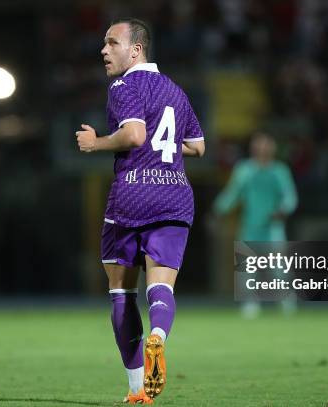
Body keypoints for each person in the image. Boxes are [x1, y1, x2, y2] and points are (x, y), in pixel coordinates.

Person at [75, 18, 205, 404]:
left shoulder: (123, 85)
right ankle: (158, 337)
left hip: (132, 195)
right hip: (176, 195)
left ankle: (137, 392)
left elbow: (133, 135)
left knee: (122, 292)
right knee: (161, 286)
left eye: (112, 43)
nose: (103, 50)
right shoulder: (176, 91)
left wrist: (97, 142)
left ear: (136, 50)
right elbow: (197, 147)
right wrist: (161, 151)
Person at [213, 132, 298, 317]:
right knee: (246, 268)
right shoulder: (245, 170)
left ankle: (286, 298)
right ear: (253, 148)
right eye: (258, 146)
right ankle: (250, 302)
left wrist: (283, 209)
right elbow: (232, 193)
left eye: (266, 146)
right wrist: (219, 209)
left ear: (272, 149)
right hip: (250, 227)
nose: (262, 149)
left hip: (272, 229)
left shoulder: (280, 171)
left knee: (278, 269)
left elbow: (290, 196)